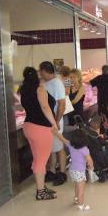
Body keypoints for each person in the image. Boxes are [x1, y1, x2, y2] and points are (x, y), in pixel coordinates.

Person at [19, 67, 68, 200]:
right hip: (41, 129)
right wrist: (54, 123)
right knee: (41, 160)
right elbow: (45, 108)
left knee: (37, 159)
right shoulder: (39, 89)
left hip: (29, 126)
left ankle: (40, 187)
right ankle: (40, 192)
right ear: (36, 76)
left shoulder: (24, 90)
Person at [39, 61, 67, 186]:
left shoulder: (57, 83)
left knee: (59, 147)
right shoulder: (46, 83)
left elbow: (62, 104)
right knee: (52, 148)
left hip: (55, 121)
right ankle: (51, 170)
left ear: (44, 71)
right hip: (49, 122)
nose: (40, 74)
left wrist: (56, 121)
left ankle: (62, 172)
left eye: (40, 71)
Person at [68, 129, 94, 211]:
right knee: (81, 190)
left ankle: (76, 198)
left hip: (72, 170)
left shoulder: (70, 145)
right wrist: (91, 167)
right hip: (80, 172)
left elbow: (63, 139)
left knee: (77, 185)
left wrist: (56, 133)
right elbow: (89, 160)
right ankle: (81, 205)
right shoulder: (84, 149)